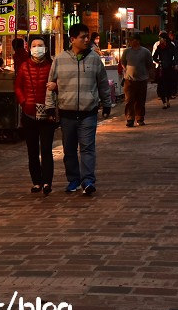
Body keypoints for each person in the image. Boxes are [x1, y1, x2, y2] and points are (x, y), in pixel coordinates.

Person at [45, 22, 112, 196]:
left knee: (88, 148)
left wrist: (106, 104)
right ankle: (73, 180)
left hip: (88, 112)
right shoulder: (59, 60)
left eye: (87, 36)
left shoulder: (94, 59)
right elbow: (50, 85)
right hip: (67, 113)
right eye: (82, 37)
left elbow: (103, 84)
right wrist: (50, 107)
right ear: (72, 39)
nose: (86, 40)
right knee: (69, 149)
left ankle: (88, 180)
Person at [14, 37, 57, 194]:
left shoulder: (51, 66)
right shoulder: (24, 67)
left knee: (46, 149)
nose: (37, 48)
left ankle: (47, 182)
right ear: (29, 48)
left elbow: (59, 85)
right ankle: (36, 182)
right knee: (32, 150)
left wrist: (55, 86)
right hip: (29, 113)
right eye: (34, 45)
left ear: (45, 48)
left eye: (40, 45)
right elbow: (18, 87)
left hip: (47, 113)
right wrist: (23, 101)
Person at [120, 33, 153, 127]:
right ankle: (130, 118)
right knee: (129, 100)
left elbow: (149, 63)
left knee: (140, 100)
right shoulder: (127, 51)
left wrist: (146, 73)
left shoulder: (145, 52)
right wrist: (126, 70)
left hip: (142, 79)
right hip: (129, 79)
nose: (130, 42)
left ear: (138, 41)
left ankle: (140, 117)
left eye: (132, 40)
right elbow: (123, 62)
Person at [152, 32, 178, 109]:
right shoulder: (159, 47)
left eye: (161, 38)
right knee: (162, 85)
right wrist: (158, 61)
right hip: (162, 68)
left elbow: (175, 55)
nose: (160, 40)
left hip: (170, 67)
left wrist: (175, 63)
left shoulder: (171, 46)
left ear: (165, 39)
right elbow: (154, 57)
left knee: (169, 84)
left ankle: (168, 100)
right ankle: (164, 101)